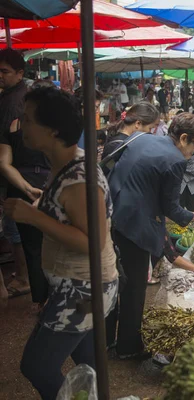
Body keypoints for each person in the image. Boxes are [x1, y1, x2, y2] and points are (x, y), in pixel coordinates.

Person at [4, 87, 118, 399]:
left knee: (37, 366)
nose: (20, 125)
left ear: (53, 130)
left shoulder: (80, 180)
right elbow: (71, 214)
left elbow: (92, 243)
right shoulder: (63, 164)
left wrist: (33, 217)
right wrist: (45, 204)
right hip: (77, 285)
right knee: (88, 360)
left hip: (84, 287)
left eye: (27, 120)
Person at [106, 113, 194, 358]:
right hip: (133, 224)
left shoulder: (142, 137)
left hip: (111, 211)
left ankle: (107, 338)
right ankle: (128, 348)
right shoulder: (175, 160)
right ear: (183, 138)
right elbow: (171, 209)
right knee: (134, 288)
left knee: (112, 281)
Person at [0, 48, 49, 307]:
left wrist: (26, 188)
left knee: (34, 247)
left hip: (28, 184)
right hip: (39, 182)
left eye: (4, 71)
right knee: (43, 244)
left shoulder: (10, 108)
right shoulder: (20, 104)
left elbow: (4, 163)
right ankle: (45, 299)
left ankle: (43, 300)